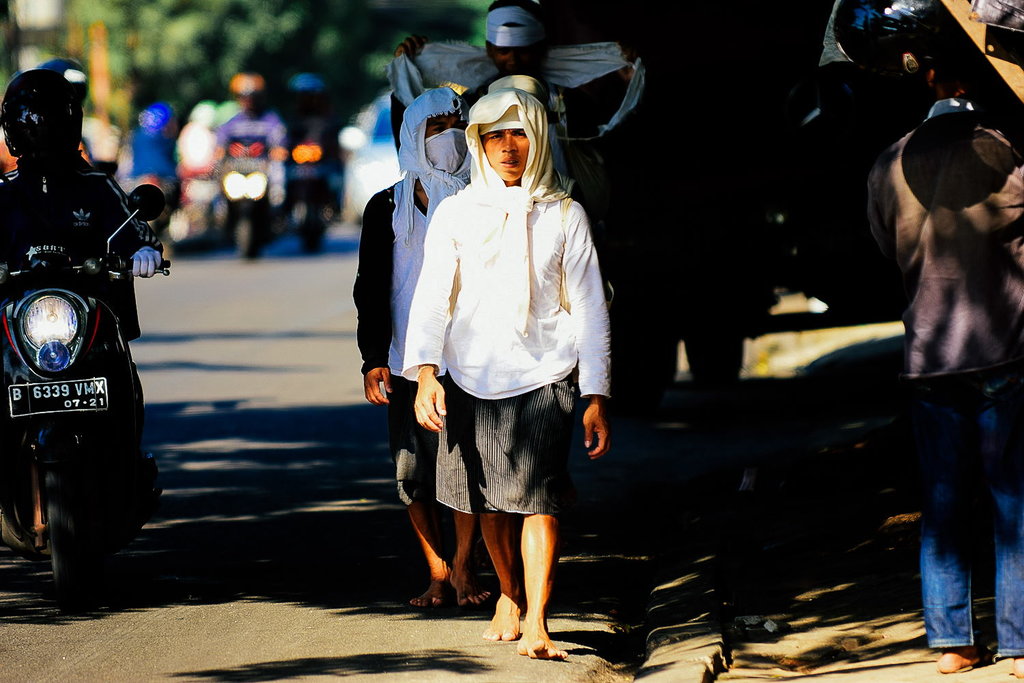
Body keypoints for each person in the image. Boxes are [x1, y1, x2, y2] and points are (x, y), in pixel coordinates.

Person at [835, 0, 1024, 676]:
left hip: (929, 360)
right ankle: (1021, 643)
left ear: (929, 80)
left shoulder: (889, 164)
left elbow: (888, 249)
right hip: (1007, 352)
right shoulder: (1014, 153)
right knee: (1013, 500)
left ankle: (953, 644)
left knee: (943, 503)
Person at [402, 87, 611, 659]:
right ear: (479, 143)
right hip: (472, 375)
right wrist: (425, 373)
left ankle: (540, 619)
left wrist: (594, 393)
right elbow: (433, 299)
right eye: (494, 135)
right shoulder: (456, 213)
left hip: (548, 373)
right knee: (493, 501)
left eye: (519, 133)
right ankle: (510, 594)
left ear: (538, 140)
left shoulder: (565, 214)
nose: (507, 147)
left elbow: (590, 306)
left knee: (539, 499)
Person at [353, 87, 490, 609]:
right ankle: (436, 571)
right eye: (436, 129)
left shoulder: (484, 197)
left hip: (472, 360)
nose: (448, 138)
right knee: (414, 473)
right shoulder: (386, 206)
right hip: (408, 359)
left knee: (467, 469)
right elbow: (370, 286)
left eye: (457, 127)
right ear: (413, 137)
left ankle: (463, 567)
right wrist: (372, 358)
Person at [388, 0, 644, 221]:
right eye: (503, 51)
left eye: (523, 51)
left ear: (541, 47)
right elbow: (419, 141)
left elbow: (613, 141)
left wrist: (626, 81)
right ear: (489, 49)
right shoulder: (476, 101)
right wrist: (404, 71)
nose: (512, 60)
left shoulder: (568, 100)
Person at [0, 68, 163, 342]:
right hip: (15, 321)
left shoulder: (97, 185)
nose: (41, 127)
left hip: (92, 318)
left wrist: (143, 250)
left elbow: (133, 231)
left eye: (50, 119)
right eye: (31, 120)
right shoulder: (4, 191)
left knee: (115, 362)